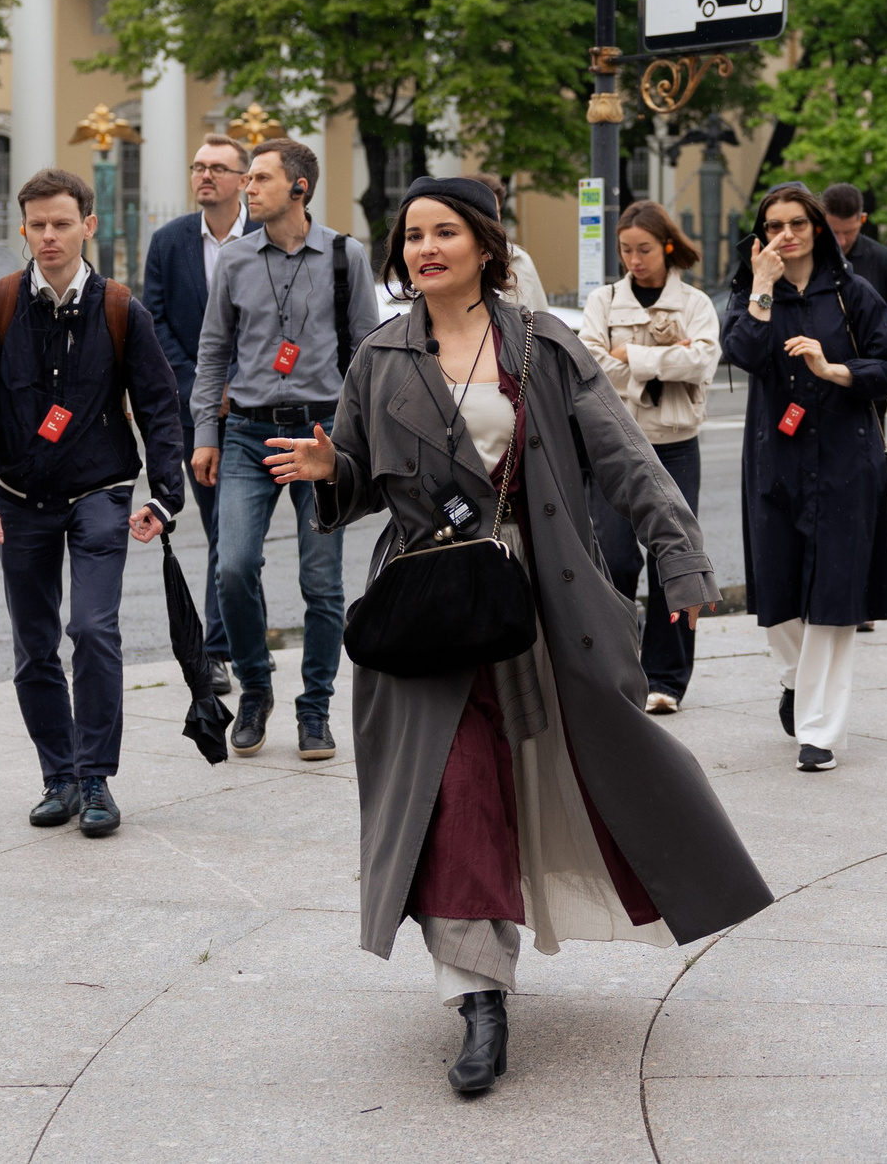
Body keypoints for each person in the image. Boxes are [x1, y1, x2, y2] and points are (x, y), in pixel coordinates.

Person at [267, 177, 771, 1095]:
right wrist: (324, 468)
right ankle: (480, 996)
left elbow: (624, 455)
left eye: (444, 232)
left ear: (485, 247)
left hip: (537, 604)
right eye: (412, 236)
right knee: (453, 788)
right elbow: (353, 480)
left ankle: (646, 894)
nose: (424, 249)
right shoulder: (381, 356)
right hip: (430, 609)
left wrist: (682, 561)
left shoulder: (540, 345)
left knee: (573, 768)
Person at [0, 168, 186, 838]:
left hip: (99, 491)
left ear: (88, 225)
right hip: (19, 495)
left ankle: (96, 776)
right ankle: (59, 774)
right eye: (38, 224)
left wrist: (166, 496)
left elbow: (160, 405)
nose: (49, 235)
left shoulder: (120, 308)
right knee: (34, 642)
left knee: (92, 628)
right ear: (23, 228)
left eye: (62, 222)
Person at [188, 137, 379, 761]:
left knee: (321, 583)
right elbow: (214, 350)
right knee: (234, 567)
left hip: (322, 435)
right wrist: (205, 434)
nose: (249, 188)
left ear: (299, 188)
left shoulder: (347, 257)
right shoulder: (237, 261)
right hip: (247, 433)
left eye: (261, 179)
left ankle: (316, 708)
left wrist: (357, 445)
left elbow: (370, 356)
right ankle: (256, 689)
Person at [724, 182, 887, 770]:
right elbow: (744, 352)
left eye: (797, 223)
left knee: (834, 594)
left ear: (817, 229)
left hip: (845, 461)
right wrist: (761, 287)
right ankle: (796, 680)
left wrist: (834, 370)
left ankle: (820, 734)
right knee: (777, 592)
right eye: (774, 225)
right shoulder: (752, 293)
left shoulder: (854, 293)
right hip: (775, 456)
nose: (786, 235)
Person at [580, 201, 721, 713]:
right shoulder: (604, 300)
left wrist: (630, 358)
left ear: (665, 245)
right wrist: (665, 362)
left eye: (643, 249)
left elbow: (702, 359)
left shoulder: (696, 303)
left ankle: (667, 679)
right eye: (625, 250)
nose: (634, 260)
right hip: (614, 445)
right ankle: (622, 663)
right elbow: (591, 367)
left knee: (674, 562)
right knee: (613, 560)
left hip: (676, 445)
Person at [140, 132, 259, 694]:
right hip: (199, 414)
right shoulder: (169, 243)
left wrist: (244, 383)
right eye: (197, 166)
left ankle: (239, 640)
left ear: (243, 179)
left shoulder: (270, 237)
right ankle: (220, 649)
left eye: (217, 167)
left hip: (264, 407)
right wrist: (204, 388)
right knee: (222, 532)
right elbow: (156, 323)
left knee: (242, 540)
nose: (204, 175)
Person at [821, 183, 887, 348]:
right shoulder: (805, 255)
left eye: (849, 232)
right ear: (821, 220)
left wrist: (867, 342)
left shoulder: (882, 259)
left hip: (867, 365)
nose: (841, 241)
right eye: (833, 232)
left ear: (863, 219)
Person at [468, 174, 549, 314]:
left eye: (493, 211)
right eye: (480, 211)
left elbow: (541, 320)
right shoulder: (446, 260)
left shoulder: (519, 259)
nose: (487, 218)